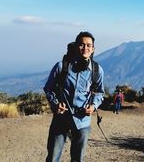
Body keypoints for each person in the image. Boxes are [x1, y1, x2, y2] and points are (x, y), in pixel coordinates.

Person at [44, 31, 104, 162]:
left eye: (89, 45)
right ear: (76, 46)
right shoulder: (61, 67)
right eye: (82, 45)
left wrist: (93, 106)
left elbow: (100, 92)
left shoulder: (97, 70)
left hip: (83, 121)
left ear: (93, 49)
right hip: (61, 118)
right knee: (53, 157)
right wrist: (55, 103)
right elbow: (48, 88)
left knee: (78, 159)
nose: (85, 48)